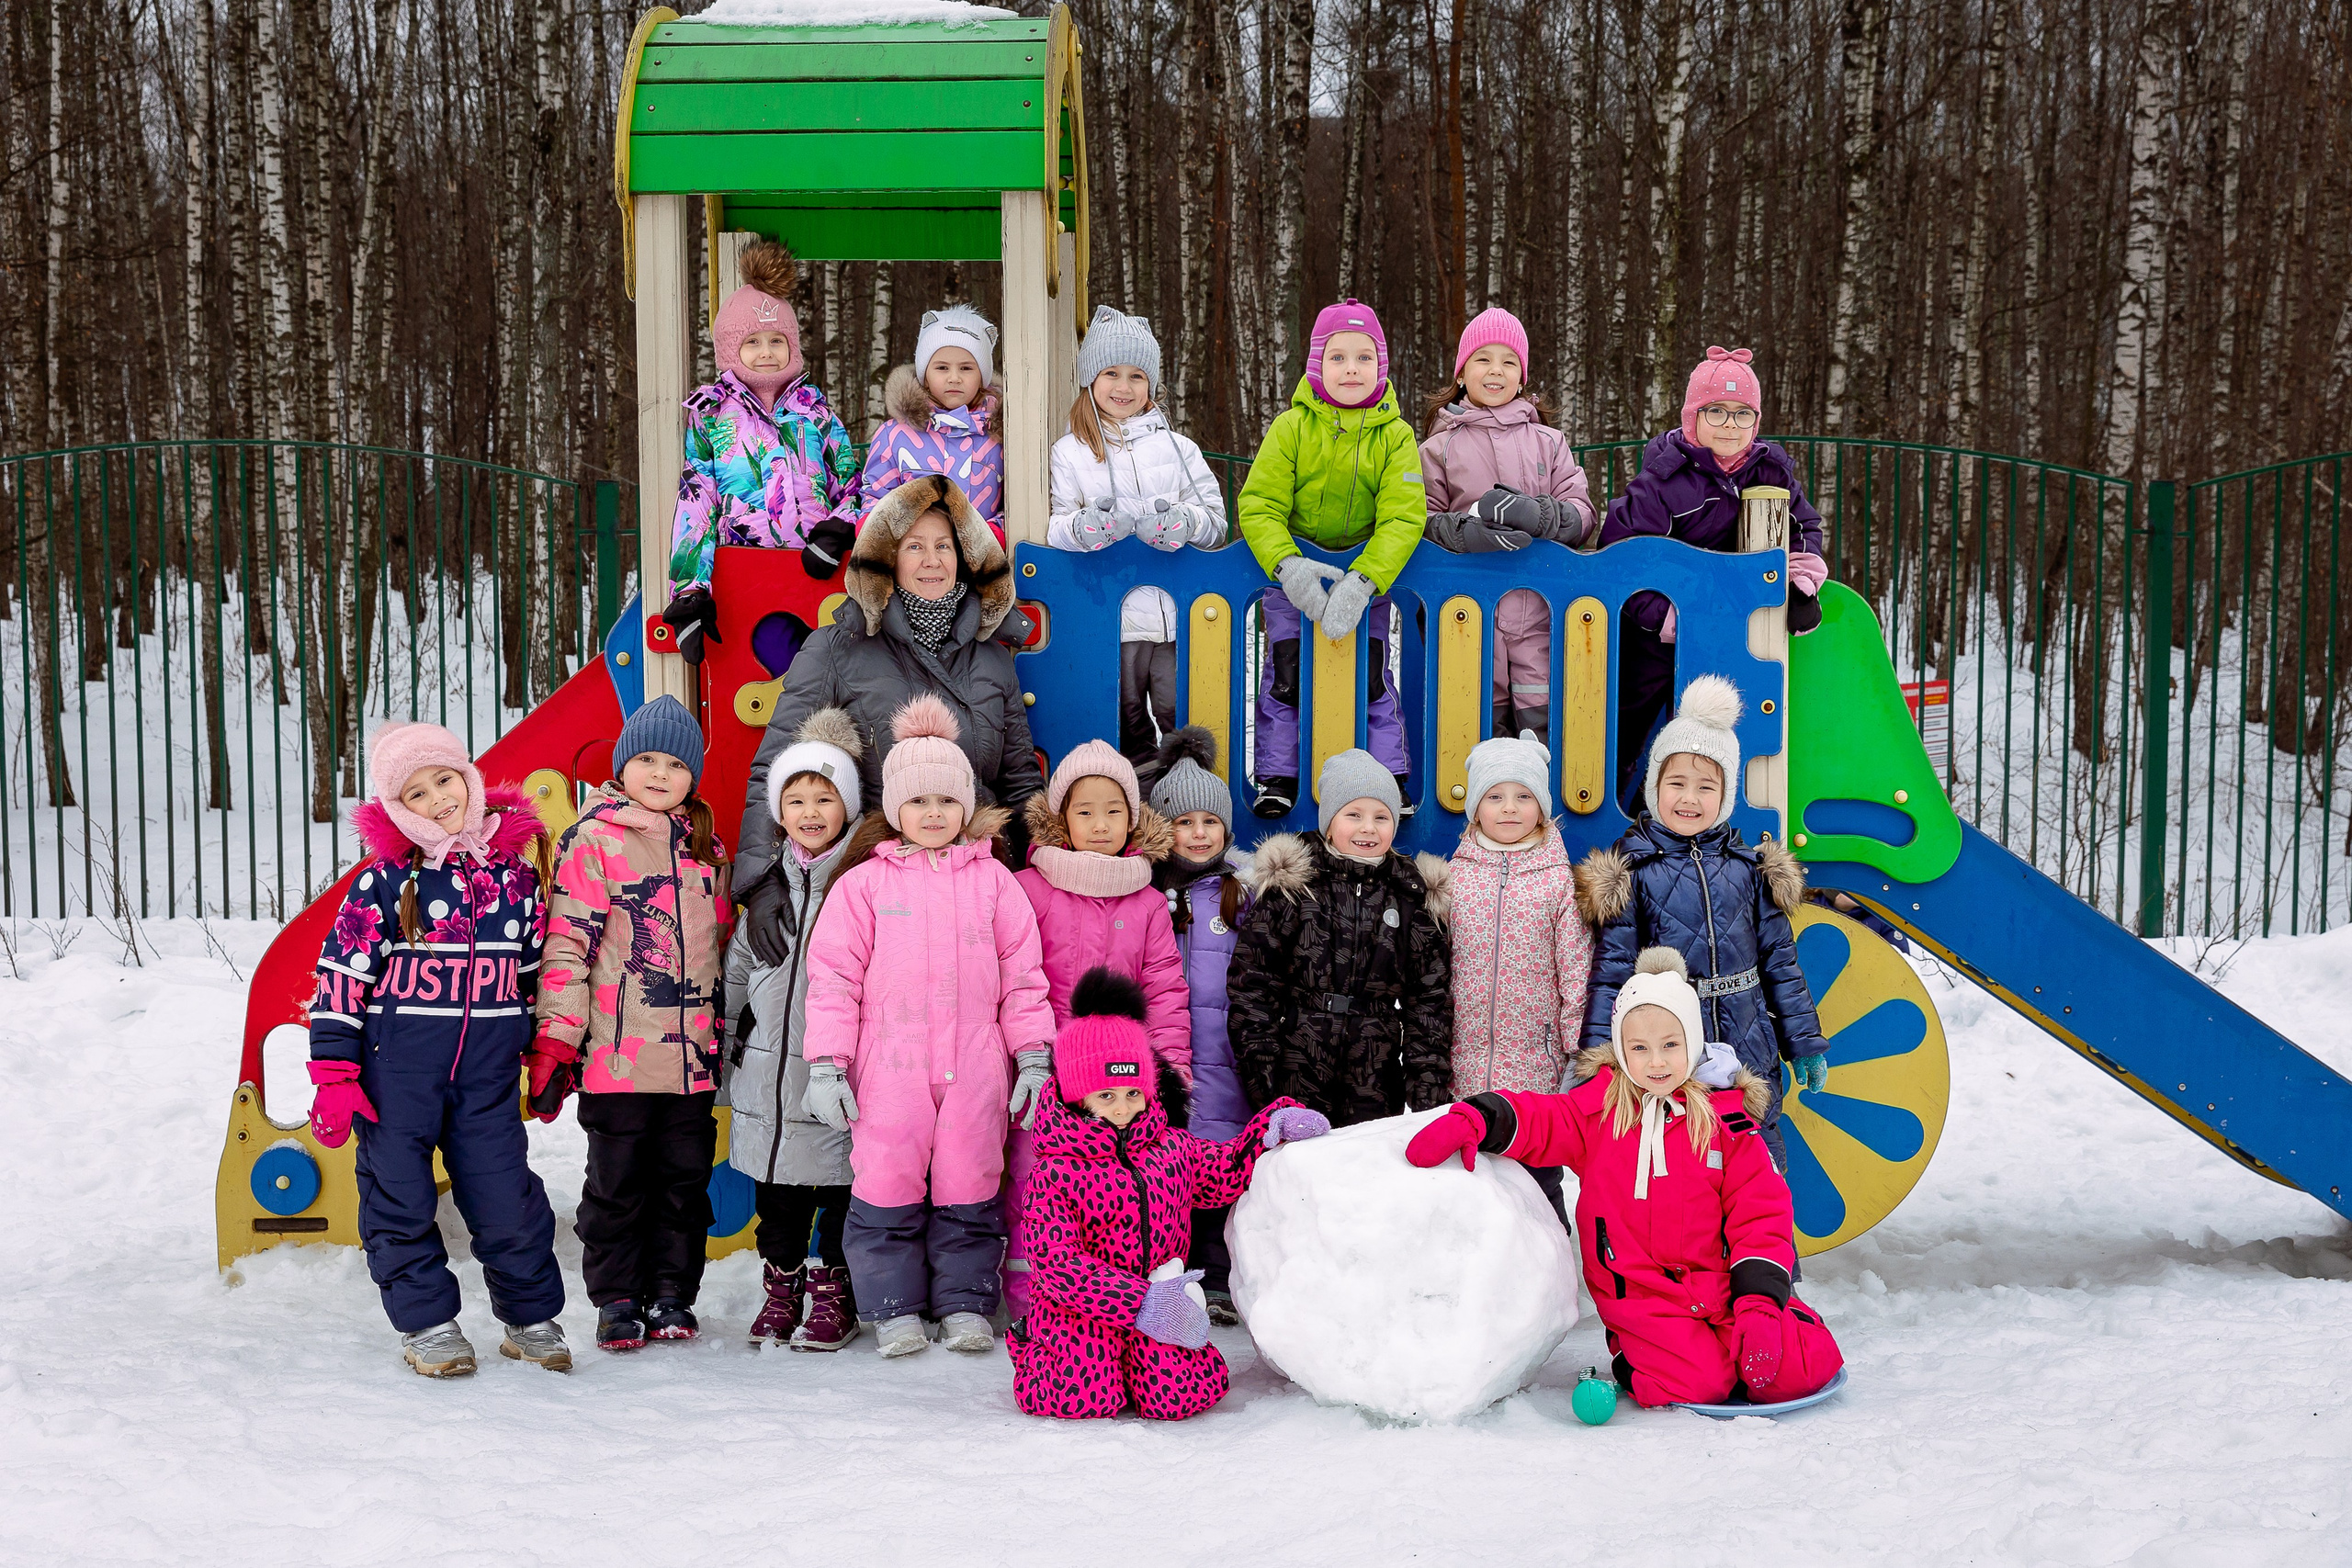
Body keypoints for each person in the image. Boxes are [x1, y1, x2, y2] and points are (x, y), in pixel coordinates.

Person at [1406, 947, 1844, 1408]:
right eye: (1639, 1048)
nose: (1656, 1062)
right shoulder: (1600, 1113)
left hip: (1718, 1284)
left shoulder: (1727, 1125)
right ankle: (1634, 1360)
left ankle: (1763, 1327)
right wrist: (1479, 1118)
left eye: (1670, 1046)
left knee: (1799, 1369)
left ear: (1692, 1043)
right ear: (1621, 1048)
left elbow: (1762, 1213)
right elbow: (1542, 1118)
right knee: (1702, 1384)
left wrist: (1758, 1303)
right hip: (1642, 1294)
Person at [305, 721, 567, 1377]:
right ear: (397, 807)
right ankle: (429, 1325)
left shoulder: (514, 877)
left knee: (508, 1195)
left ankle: (530, 1317)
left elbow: (535, 974)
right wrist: (336, 1072)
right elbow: (341, 978)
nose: (438, 798)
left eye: (445, 779)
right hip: (395, 1079)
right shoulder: (385, 881)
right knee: (398, 1198)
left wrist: (548, 1048)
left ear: (469, 778)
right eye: (416, 792)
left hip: (486, 1077)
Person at [799, 695, 1056, 1359]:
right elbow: (832, 980)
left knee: (970, 1182)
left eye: (948, 800)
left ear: (967, 806)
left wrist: (1032, 1056)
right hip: (890, 1067)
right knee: (885, 1182)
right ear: (896, 809)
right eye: (920, 802)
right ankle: (894, 1306)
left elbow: (1024, 976)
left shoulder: (997, 883)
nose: (935, 813)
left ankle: (965, 1303)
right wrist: (827, 1063)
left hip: (976, 1064)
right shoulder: (863, 886)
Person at [1007, 968, 1329, 1420]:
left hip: (1162, 1298)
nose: (1122, 1108)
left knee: (1179, 1397)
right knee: (1081, 1399)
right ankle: (1034, 1346)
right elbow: (1056, 1264)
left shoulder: (1169, 1147)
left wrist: (1270, 1129)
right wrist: (1136, 1302)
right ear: (1078, 1098)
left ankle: (1142, 1366)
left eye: (1133, 1093)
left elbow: (1222, 1171)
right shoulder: (1057, 1172)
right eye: (1106, 1096)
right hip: (1081, 1307)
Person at [739, 473, 1044, 933]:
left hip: (976, 878)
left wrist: (1033, 873)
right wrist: (763, 881)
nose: (932, 561)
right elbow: (776, 768)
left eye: (944, 546)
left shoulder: (992, 657)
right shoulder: (838, 648)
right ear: (888, 559)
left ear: (963, 557)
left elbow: (1019, 781)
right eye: (914, 546)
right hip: (877, 880)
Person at [531, 695, 733, 1351]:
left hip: (689, 1063)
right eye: (645, 758)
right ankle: (617, 1298)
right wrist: (558, 1038)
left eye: (674, 763)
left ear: (692, 777)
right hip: (616, 1059)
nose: (658, 771)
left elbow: (722, 954)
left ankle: (672, 1293)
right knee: (616, 1186)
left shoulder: (707, 848)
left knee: (682, 1185)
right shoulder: (594, 841)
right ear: (622, 766)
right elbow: (567, 945)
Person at [1575, 674, 1826, 1170]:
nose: (1689, 798)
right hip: (1669, 1050)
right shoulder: (1634, 869)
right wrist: (1601, 1055)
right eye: (1676, 784)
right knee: (1685, 1168)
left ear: (1725, 795)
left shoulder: (1748, 868)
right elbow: (1613, 969)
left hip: (1749, 1041)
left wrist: (1803, 1042)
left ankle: (1770, 1250)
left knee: (1758, 1165)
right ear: (1653, 787)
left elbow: (1781, 962)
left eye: (1705, 786)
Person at [1003, 738, 1190, 1320]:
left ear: (1132, 818)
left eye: (1114, 811)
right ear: (1061, 818)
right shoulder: (1030, 888)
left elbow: (1163, 990)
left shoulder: (1147, 899)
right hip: (1050, 1071)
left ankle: (1121, 1305)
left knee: (1116, 1192)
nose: (1100, 824)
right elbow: (1012, 975)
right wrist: (1024, 1058)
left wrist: (1170, 1071)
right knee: (1035, 1184)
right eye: (1084, 811)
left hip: (1123, 1078)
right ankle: (1034, 1304)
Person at [1598, 345, 1830, 804]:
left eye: (1742, 414)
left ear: (1756, 421)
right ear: (1692, 417)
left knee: (1731, 715)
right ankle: (1615, 801)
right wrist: (1666, 619)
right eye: (1716, 411)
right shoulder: (1662, 481)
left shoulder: (1772, 473)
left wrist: (1799, 585)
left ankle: (1725, 807)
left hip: (1740, 626)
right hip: (1663, 632)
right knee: (1634, 711)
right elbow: (1626, 557)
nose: (1730, 424)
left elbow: (1805, 529)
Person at [1235, 299, 1429, 819]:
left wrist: (1365, 580)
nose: (1351, 369)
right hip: (1294, 584)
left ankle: (1389, 778)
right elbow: (1259, 504)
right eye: (1337, 357)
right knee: (1286, 678)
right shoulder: (1292, 429)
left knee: (1370, 680)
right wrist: (1287, 566)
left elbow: (1403, 516)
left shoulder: (1396, 437)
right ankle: (1278, 777)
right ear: (1317, 364)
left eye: (1364, 358)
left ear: (1381, 366)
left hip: (1364, 584)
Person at [722, 707, 865, 1350]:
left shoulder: (862, 879)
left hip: (834, 1066)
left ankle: (835, 1286)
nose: (810, 810)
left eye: (824, 797)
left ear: (849, 805)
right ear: (779, 812)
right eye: (796, 798)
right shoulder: (768, 884)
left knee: (839, 1184)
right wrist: (725, 1045)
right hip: (767, 1068)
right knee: (777, 1190)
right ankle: (782, 1281)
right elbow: (736, 972)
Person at [1048, 306, 1231, 780]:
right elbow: (1055, 524)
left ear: (1151, 384)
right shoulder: (1069, 452)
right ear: (1090, 379)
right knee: (1125, 717)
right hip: (1114, 617)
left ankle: (1187, 795)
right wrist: (1084, 528)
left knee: (1176, 709)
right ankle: (1135, 794)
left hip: (1173, 616)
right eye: (1111, 373)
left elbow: (1215, 521)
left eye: (1136, 375)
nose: (1123, 387)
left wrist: (1183, 524)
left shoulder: (1178, 448)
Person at [1227, 749, 1453, 1124]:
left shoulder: (1410, 894)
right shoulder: (1294, 888)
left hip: (1375, 1066)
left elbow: (1429, 1000)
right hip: (1298, 1058)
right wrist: (1262, 1074)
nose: (1368, 828)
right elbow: (1254, 982)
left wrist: (1427, 1092)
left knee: (1365, 1168)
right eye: (1354, 815)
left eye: (1382, 817)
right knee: (1302, 1168)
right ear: (1329, 823)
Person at [663, 240, 861, 661]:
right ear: (731, 349)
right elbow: (697, 502)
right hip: (745, 577)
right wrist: (690, 590)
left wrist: (839, 528)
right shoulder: (712, 415)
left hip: (819, 571)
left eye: (776, 340)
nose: (767, 352)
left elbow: (854, 484)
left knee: (828, 669)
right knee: (770, 670)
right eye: (753, 341)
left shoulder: (815, 411)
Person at [1419, 308, 1598, 746]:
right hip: (1467, 614)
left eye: (1508, 361)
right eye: (1483, 359)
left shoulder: (1549, 443)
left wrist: (1540, 515)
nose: (1495, 370)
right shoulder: (1437, 448)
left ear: (1522, 379)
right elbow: (1419, 521)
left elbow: (1583, 514)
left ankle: (1542, 805)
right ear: (1461, 373)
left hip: (1540, 613)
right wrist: (1462, 532)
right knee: (1478, 722)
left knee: (1541, 724)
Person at [1444, 731, 1591, 1229]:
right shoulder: (1454, 878)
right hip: (1461, 1063)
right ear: (1476, 807)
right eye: (1495, 796)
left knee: (1537, 1179)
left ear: (1542, 807)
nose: (1509, 808)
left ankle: (1549, 1274)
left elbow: (1576, 972)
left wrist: (1578, 1054)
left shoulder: (1558, 880)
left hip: (1536, 1066)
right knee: (1468, 1180)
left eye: (1523, 796)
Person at [1147, 726, 1255, 1324]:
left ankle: (1215, 1279)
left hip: (1225, 1061)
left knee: (1217, 1173)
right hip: (1165, 1065)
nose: (1196, 833)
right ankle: (1169, 1278)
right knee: (1164, 1179)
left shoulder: (1243, 893)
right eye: (1183, 822)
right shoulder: (1144, 890)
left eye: (1208, 822)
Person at [861, 304, 1005, 537]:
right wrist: (875, 534)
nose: (954, 378)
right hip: (912, 562)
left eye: (966, 368)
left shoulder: (999, 436)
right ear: (925, 376)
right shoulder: (895, 434)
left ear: (982, 378)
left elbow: (1016, 505)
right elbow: (875, 494)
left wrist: (994, 533)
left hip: (979, 562)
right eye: (942, 368)